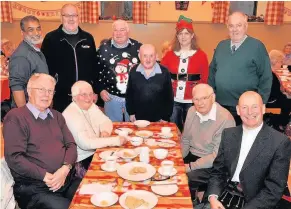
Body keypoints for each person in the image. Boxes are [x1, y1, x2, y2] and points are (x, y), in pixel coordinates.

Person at [3, 73, 81, 209]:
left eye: (50, 90)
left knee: (92, 194)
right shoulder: (16, 117)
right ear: (29, 91)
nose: (46, 94)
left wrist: (64, 169)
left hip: (66, 179)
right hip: (35, 188)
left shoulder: (57, 116)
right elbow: (14, 158)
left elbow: (71, 145)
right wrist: (45, 176)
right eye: (41, 89)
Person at [204, 91, 291, 209]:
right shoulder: (228, 134)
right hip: (223, 194)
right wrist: (213, 198)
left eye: (255, 107)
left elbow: (274, 189)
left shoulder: (280, 142)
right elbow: (218, 172)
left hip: (254, 202)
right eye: (244, 107)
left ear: (263, 109)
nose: (250, 112)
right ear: (238, 110)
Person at [208, 12, 272, 125]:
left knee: (240, 139)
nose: (235, 29)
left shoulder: (257, 46)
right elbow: (212, 72)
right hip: (220, 104)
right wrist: (210, 96)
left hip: (246, 108)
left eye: (239, 25)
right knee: (222, 138)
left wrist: (261, 102)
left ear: (246, 26)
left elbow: (266, 76)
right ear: (227, 27)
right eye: (231, 26)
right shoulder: (221, 46)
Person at [182, 84, 235, 202]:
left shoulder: (225, 119)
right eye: (196, 99)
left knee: (184, 178)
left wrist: (190, 167)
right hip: (193, 155)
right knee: (169, 168)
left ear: (213, 98)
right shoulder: (191, 111)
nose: (200, 103)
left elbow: (216, 156)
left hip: (213, 163)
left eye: (204, 98)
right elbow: (185, 139)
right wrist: (178, 159)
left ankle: (191, 201)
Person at [63, 81, 127, 177]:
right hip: (81, 161)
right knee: (113, 174)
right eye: (83, 95)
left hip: (96, 151)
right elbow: (86, 144)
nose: (88, 98)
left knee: (124, 163)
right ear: (74, 97)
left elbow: (106, 121)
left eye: (90, 94)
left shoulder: (90, 105)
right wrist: (114, 140)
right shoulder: (71, 114)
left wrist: (105, 131)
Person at [41, 4, 98, 112]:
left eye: (74, 15)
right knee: (62, 126)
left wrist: (94, 91)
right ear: (61, 18)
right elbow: (45, 69)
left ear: (78, 17)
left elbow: (94, 67)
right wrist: (48, 93)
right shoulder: (51, 38)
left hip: (85, 96)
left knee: (84, 126)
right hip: (61, 96)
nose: (71, 19)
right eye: (67, 15)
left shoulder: (88, 38)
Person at [161, 15, 209, 131]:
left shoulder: (201, 55)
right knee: (174, 130)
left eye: (186, 33)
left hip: (192, 101)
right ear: (177, 36)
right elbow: (162, 76)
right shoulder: (169, 55)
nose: (183, 37)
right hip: (174, 101)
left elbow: (205, 79)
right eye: (180, 33)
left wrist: (199, 95)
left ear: (192, 35)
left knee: (191, 131)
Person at [97, 19, 142, 122]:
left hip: (133, 97)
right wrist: (100, 90)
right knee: (112, 127)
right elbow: (97, 71)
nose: (118, 33)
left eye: (122, 30)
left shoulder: (138, 47)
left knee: (133, 127)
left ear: (128, 31)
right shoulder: (103, 49)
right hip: (111, 97)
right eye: (115, 30)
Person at [125, 44, 174, 122]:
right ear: (139, 56)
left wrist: (165, 117)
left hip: (159, 119)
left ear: (156, 56)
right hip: (138, 118)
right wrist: (131, 113)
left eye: (151, 56)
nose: (148, 59)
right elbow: (129, 94)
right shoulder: (133, 71)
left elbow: (169, 97)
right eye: (145, 56)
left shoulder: (164, 72)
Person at [9, 15, 48, 108]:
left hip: (39, 108)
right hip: (30, 112)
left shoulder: (35, 49)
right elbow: (17, 87)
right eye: (31, 30)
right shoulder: (21, 56)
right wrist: (25, 116)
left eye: (38, 29)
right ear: (22, 33)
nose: (36, 33)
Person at [267, 50, 291, 129]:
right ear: (275, 61)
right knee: (288, 101)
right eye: (280, 62)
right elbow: (277, 94)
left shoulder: (268, 71)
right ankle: (283, 123)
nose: (281, 64)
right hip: (270, 102)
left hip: (268, 99)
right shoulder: (271, 75)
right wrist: (286, 95)